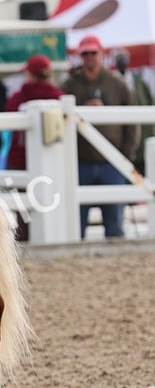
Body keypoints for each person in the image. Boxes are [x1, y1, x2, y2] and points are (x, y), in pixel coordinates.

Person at [61, 34, 140, 239]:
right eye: (85, 53)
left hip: (112, 162)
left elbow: (132, 121)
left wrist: (125, 156)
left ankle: (117, 263)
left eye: (93, 53)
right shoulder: (69, 85)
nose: (89, 57)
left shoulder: (118, 84)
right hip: (80, 161)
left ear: (101, 54)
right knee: (76, 223)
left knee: (114, 222)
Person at [6, 55, 63, 240]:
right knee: (54, 206)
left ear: (31, 75)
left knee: (22, 213)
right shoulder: (59, 97)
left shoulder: (18, 97)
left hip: (19, 160)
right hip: (55, 161)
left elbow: (8, 120)